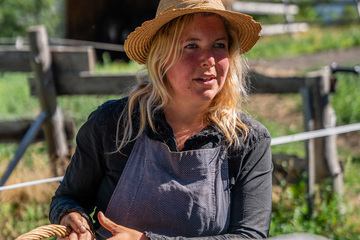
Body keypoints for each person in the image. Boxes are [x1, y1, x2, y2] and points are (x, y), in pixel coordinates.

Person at [49, 0, 273, 239]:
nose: (208, 59)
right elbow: (68, 197)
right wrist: (72, 217)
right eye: (191, 46)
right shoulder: (111, 125)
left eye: (219, 45)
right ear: (161, 56)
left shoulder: (247, 140)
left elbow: (250, 236)